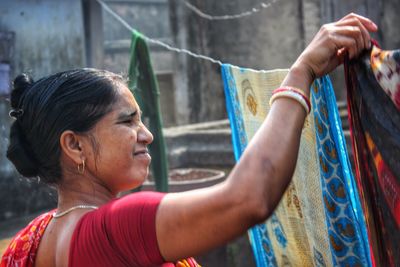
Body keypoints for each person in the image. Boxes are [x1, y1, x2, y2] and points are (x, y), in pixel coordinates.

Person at [1, 13, 377, 267]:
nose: (146, 134)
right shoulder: (110, 230)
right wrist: (300, 74)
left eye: (142, 119)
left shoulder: (38, 237)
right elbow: (247, 199)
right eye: (128, 121)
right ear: (75, 146)